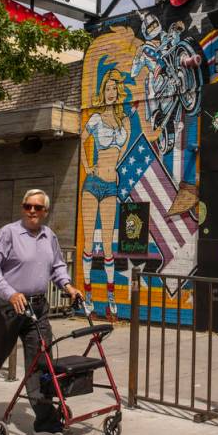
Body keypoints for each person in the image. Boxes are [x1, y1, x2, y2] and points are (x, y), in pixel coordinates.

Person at [0, 189, 80, 435]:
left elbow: (57, 266)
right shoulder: (9, 233)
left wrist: (67, 285)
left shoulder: (49, 236)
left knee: (42, 364)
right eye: (27, 206)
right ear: (23, 208)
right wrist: (10, 293)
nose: (32, 211)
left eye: (37, 207)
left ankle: (45, 420)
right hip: (6, 308)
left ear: (45, 211)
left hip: (37, 308)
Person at [80, 69, 130, 317]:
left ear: (119, 92)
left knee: (108, 244)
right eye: (107, 89)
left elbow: (121, 152)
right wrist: (88, 166)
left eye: (114, 89)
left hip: (111, 186)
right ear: (104, 92)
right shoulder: (96, 118)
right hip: (93, 184)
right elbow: (82, 140)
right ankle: (88, 294)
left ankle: (110, 296)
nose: (111, 93)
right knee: (89, 242)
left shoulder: (125, 122)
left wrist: (117, 169)